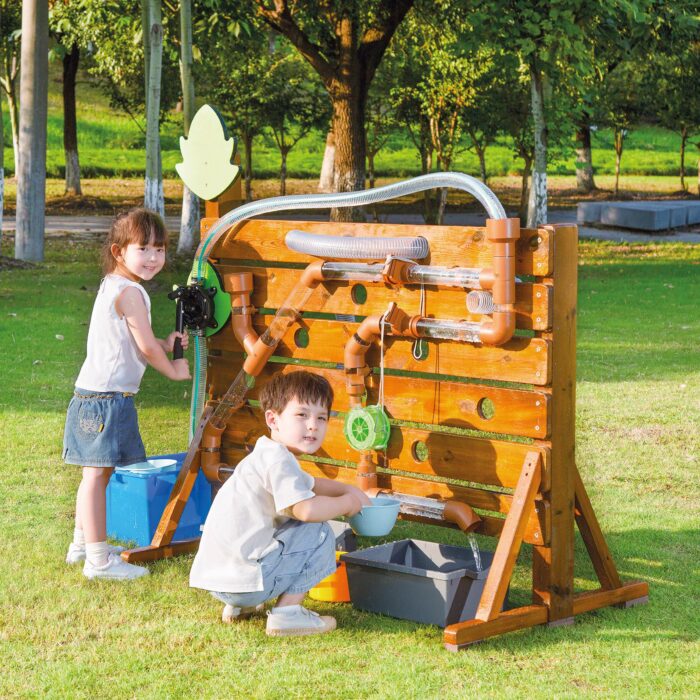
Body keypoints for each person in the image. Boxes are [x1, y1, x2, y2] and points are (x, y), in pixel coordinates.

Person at [190, 370, 371, 637]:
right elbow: (306, 510)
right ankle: (287, 615)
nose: (313, 425)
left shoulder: (267, 453)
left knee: (284, 527)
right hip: (246, 581)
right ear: (273, 419)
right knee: (317, 529)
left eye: (321, 417)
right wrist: (346, 504)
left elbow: (313, 484)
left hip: (221, 580)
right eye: (302, 415)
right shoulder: (278, 461)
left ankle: (240, 607)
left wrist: (348, 488)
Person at [63, 208, 190, 581]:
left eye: (160, 249)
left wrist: (166, 344)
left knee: (94, 475)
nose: (153, 258)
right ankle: (98, 561)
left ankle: (82, 545)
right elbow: (146, 350)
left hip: (92, 394)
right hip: (107, 400)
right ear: (119, 252)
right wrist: (172, 370)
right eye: (144, 249)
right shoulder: (131, 293)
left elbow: (139, 342)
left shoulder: (113, 285)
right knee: (96, 476)